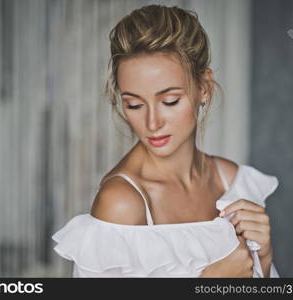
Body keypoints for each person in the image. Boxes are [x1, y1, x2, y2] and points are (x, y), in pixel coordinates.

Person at [52, 4, 280, 278]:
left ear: (204, 89)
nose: (152, 123)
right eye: (134, 104)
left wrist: (263, 261)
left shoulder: (231, 181)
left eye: (169, 101)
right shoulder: (122, 204)